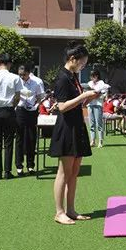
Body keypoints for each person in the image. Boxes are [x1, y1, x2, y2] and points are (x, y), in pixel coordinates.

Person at [49, 41, 100, 225]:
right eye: (82, 63)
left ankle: (70, 209)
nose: (83, 66)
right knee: (64, 171)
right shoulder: (62, 78)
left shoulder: (73, 77)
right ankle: (59, 211)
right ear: (73, 59)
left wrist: (89, 98)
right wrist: (83, 96)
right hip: (66, 127)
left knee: (74, 171)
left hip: (77, 125)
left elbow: (75, 103)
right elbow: (62, 106)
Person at [15, 65, 44, 176]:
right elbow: (14, 95)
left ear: (29, 73)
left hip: (32, 111)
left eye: (24, 74)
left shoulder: (36, 82)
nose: (22, 77)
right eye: (20, 74)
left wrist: (36, 106)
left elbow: (40, 96)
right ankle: (19, 166)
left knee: (31, 137)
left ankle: (31, 165)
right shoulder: (17, 82)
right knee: (19, 138)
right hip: (20, 110)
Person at [87, 70, 108, 148]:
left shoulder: (101, 83)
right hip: (90, 104)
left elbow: (104, 94)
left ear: (97, 76)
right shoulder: (89, 83)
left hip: (98, 104)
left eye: (93, 76)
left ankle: (100, 141)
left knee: (99, 123)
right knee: (91, 124)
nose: (92, 78)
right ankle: (92, 141)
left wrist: (98, 96)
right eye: (91, 76)